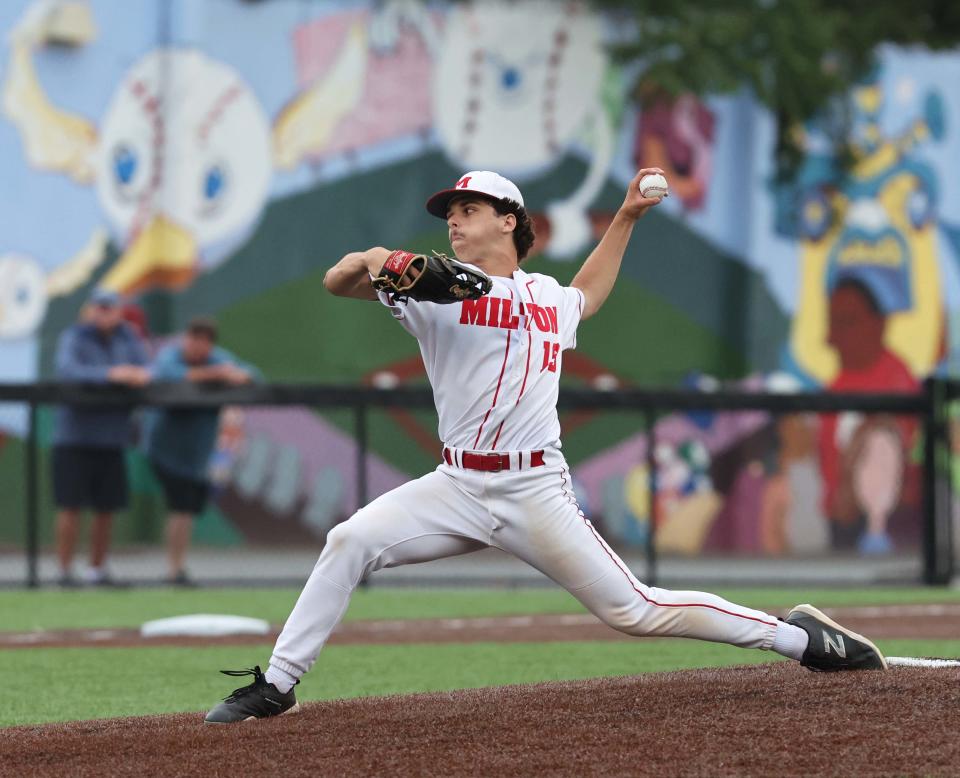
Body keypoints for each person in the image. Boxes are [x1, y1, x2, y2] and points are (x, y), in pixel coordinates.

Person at [204, 169, 888, 724]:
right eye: (451, 211)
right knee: (348, 540)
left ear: (509, 220)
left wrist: (625, 218)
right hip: (454, 486)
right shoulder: (436, 290)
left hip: (534, 492)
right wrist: (378, 260)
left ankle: (797, 637)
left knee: (635, 611)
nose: (455, 218)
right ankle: (281, 685)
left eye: (470, 208)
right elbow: (339, 283)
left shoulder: (546, 298)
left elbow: (588, 293)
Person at [144, 317, 258, 586]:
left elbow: (250, 375)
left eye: (204, 341)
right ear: (187, 339)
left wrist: (233, 375)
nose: (198, 346)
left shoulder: (217, 357)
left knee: (185, 511)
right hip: (166, 450)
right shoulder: (171, 355)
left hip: (197, 454)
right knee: (179, 508)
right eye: (194, 339)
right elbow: (167, 375)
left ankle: (177, 569)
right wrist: (216, 376)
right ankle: (174, 570)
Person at [52, 288, 150, 587]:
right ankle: (65, 573)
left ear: (119, 310)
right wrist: (111, 374)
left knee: (106, 508)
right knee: (70, 506)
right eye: (99, 307)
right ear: (91, 310)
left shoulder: (127, 338)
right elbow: (68, 371)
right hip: (74, 438)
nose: (104, 313)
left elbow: (148, 369)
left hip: (112, 437)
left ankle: (97, 570)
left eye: (110, 308)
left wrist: (135, 374)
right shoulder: (75, 337)